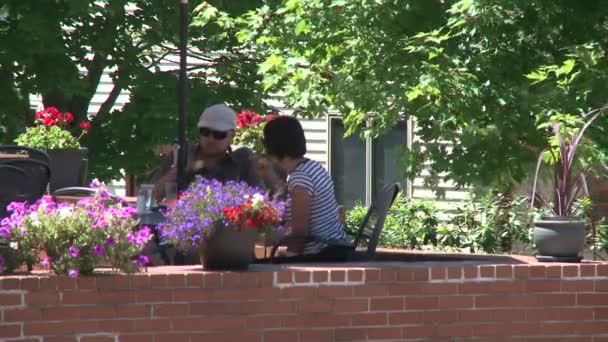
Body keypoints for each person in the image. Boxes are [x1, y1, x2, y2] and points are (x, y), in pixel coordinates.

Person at [262, 116, 347, 256]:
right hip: (336, 247)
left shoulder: (300, 180)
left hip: (322, 254)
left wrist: (287, 257)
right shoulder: (314, 167)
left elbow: (300, 234)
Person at [153, 104, 261, 202]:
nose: (210, 139)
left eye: (219, 134)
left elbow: (260, 200)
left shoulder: (241, 161)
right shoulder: (181, 156)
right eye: (205, 132)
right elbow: (148, 200)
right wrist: (173, 175)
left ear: (231, 136)